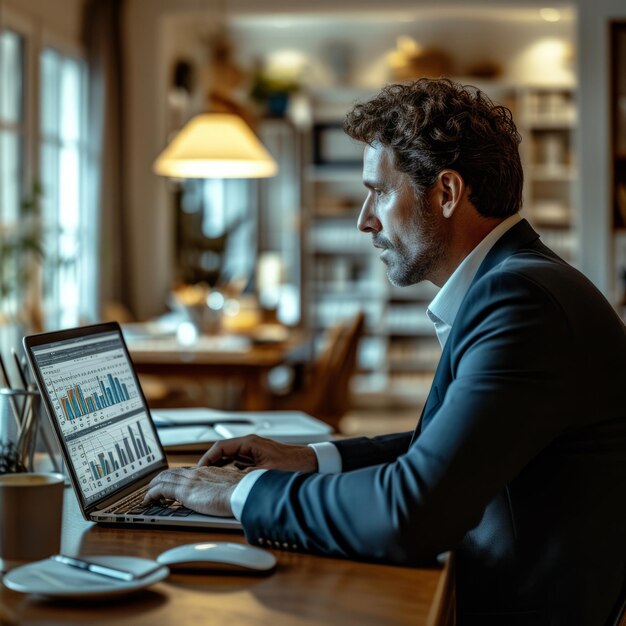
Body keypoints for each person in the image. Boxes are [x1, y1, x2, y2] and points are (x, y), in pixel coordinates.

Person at [146, 78, 626, 626]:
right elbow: (445, 447)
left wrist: (241, 493)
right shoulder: (526, 280)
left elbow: (410, 514)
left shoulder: (519, 299)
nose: (365, 219)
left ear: (447, 193)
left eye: (380, 191)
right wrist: (310, 459)